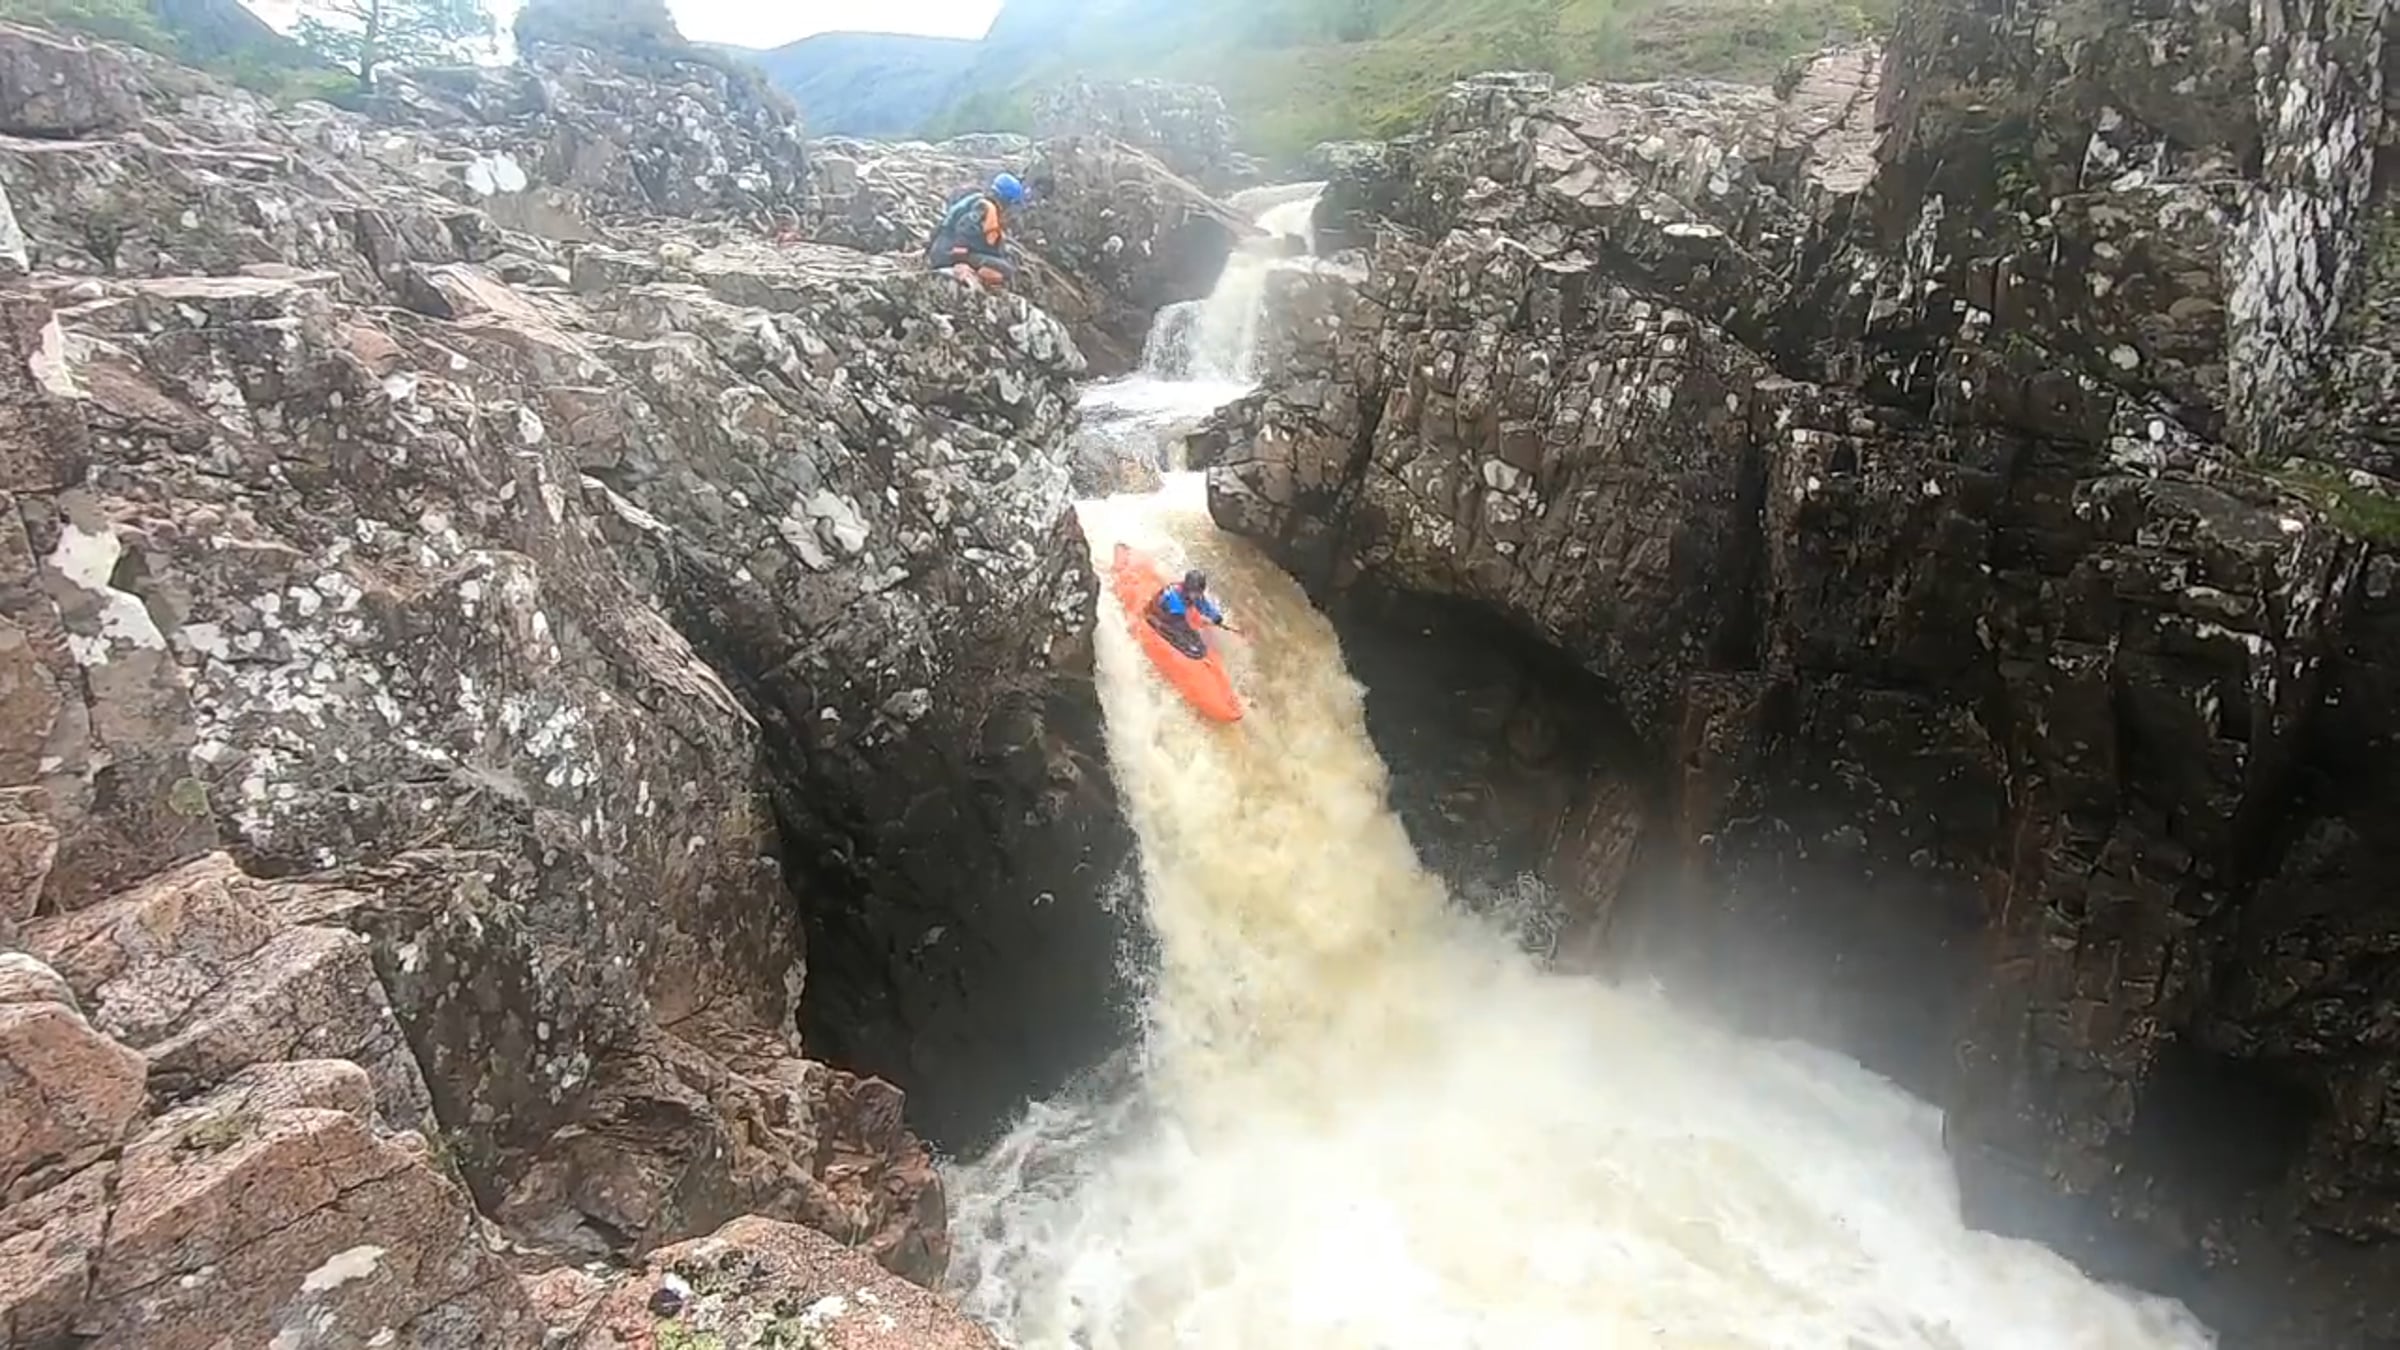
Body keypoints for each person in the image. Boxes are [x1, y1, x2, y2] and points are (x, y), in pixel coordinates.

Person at [925, 173, 1028, 288]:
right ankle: (973, 276)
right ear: (1007, 200)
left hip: (940, 251)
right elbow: (964, 226)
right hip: (947, 255)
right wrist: (960, 258)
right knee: (1006, 270)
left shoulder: (976, 199)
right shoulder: (984, 207)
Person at [1150, 568, 1232, 658]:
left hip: (1176, 614)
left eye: (1200, 592)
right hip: (1162, 614)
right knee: (1183, 635)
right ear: (1188, 588)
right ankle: (1158, 626)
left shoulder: (1193, 593)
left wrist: (1216, 617)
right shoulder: (1176, 598)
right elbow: (1179, 623)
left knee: (1198, 644)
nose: (1198, 595)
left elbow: (1204, 605)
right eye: (1196, 592)